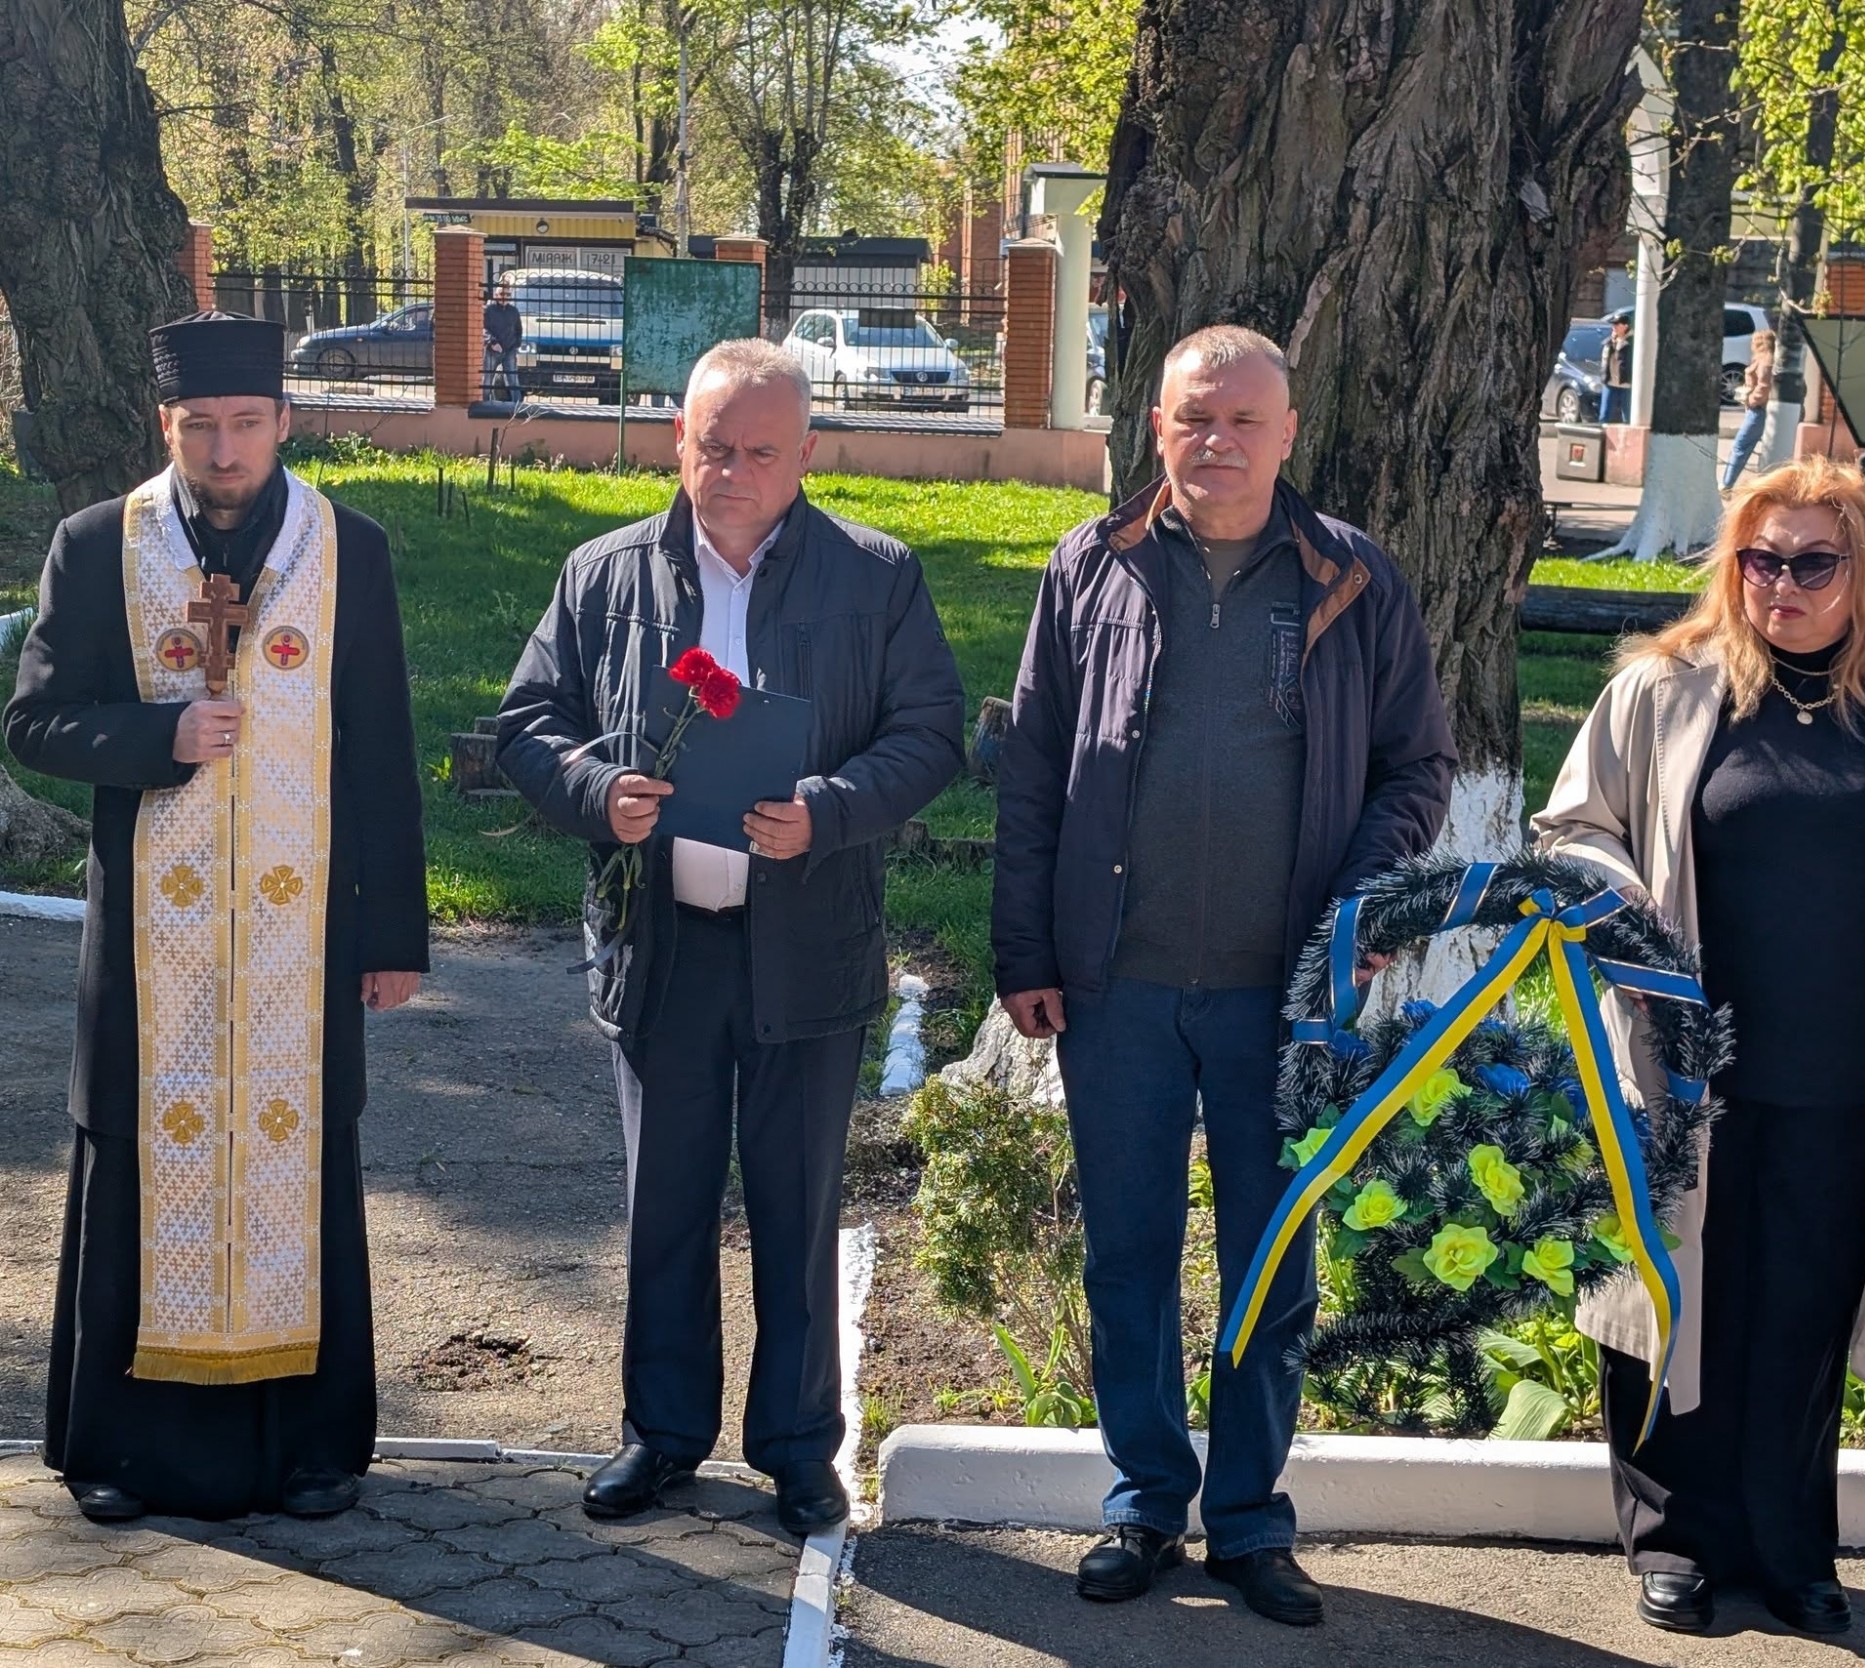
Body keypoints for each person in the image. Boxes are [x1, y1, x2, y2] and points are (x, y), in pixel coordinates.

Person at [992, 325, 1456, 1626]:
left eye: (1246, 420)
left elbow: (1418, 768)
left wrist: (1360, 907)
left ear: (1290, 432)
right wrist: (1025, 951)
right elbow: (1033, 768)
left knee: (1272, 1260)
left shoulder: (1354, 578)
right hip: (1119, 988)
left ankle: (1249, 1520)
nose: (1219, 442)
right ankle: (1145, 1504)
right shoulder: (1090, 567)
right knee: (1129, 1254)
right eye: (1197, 418)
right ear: (1157, 427)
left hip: (1284, 995)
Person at [496, 339, 963, 1537]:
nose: (733, 471)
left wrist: (829, 812)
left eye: (761, 451)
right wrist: (599, 790)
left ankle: (800, 1451)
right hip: (664, 945)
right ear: (676, 442)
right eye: (714, 447)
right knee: (667, 1203)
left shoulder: (877, 576)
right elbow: (528, 723)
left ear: (807, 455)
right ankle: (660, 1438)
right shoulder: (605, 576)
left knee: (798, 1205)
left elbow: (928, 735)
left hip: (806, 943)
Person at [1533, 454, 1865, 1637]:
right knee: (1673, 1293)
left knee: (1805, 1303)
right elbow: (1571, 829)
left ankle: (1792, 1549)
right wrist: (1619, 916)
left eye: (1808, 562)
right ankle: (1674, 1541)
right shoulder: (1665, 688)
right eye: (1755, 558)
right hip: (1680, 1062)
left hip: (1853, 1071)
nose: (1776, 583)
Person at [3, 311, 429, 1522]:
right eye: (202, 427)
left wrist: (394, 935)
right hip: (154, 951)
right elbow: (33, 724)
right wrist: (160, 737)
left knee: (299, 1166)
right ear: (168, 426)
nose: (226, 449)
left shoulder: (351, 553)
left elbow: (381, 753)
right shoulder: (99, 546)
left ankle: (311, 1454)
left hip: (301, 948)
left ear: (286, 421)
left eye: (247, 423)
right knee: (143, 1162)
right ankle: (123, 1457)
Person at [1720, 329, 1777, 489]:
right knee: (1761, 447)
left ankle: (1727, 484)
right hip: (1760, 410)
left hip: (1759, 410)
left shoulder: (1766, 360)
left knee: (1741, 445)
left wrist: (1751, 400)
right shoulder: (1766, 359)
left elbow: (1764, 388)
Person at [484, 281, 523, 402]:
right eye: (501, 294)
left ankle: (517, 406)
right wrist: (492, 342)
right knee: (487, 379)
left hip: (509, 350)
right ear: (496, 295)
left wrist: (516, 344)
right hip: (492, 350)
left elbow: (518, 329)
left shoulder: (513, 311)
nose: (504, 297)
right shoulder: (489, 310)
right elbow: (483, 328)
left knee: (512, 380)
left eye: (507, 294)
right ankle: (483, 404)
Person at [1599, 317, 1633, 425]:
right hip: (1610, 384)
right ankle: (1603, 439)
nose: (1613, 327)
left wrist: (1619, 342)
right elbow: (1605, 361)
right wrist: (1613, 342)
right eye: (1613, 325)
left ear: (1625, 326)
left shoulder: (1631, 343)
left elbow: (1624, 360)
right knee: (1604, 415)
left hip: (1626, 385)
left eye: (1617, 324)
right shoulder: (1609, 342)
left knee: (1628, 416)